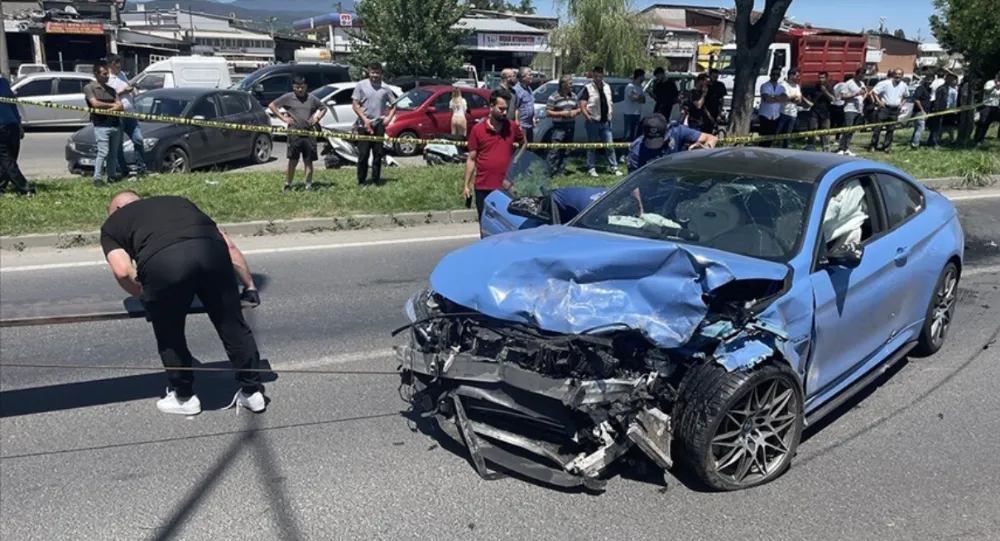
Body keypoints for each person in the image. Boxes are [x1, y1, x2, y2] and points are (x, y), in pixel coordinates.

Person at [99, 191, 267, 416]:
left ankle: (184, 396)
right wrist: (250, 287)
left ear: (118, 209)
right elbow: (230, 247)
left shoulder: (112, 225)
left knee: (170, 332)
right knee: (232, 324)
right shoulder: (178, 202)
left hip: (165, 264)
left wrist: (145, 297)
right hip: (213, 254)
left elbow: (122, 271)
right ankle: (252, 392)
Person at [463, 88, 526, 228]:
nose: (505, 112)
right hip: (483, 186)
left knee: (506, 226)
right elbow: (471, 159)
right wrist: (466, 185)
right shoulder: (478, 130)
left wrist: (516, 159)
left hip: (505, 187)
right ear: (491, 107)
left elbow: (523, 143)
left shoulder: (512, 127)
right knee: (485, 225)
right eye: (501, 109)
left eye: (506, 109)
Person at [270, 76, 328, 192]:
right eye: (297, 87)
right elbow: (272, 105)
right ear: (293, 87)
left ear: (306, 87)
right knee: (293, 160)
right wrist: (283, 118)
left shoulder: (312, 98)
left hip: (309, 133)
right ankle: (288, 184)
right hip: (294, 133)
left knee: (308, 160)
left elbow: (323, 108)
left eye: (302, 87)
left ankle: (308, 184)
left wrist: (317, 118)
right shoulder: (288, 97)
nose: (300, 90)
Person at [350, 63, 397, 186]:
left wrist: (388, 118)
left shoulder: (385, 88)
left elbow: (394, 105)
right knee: (363, 155)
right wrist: (364, 119)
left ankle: (376, 180)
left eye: (377, 73)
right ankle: (361, 180)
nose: (375, 75)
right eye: (372, 73)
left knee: (378, 154)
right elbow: (355, 105)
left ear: (381, 73)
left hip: (378, 124)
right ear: (368, 72)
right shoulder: (361, 85)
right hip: (363, 125)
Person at [627, 113, 717, 172]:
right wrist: (640, 202)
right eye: (650, 141)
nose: (654, 146)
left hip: (673, 184)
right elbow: (634, 185)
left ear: (666, 134)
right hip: (648, 186)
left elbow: (711, 138)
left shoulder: (677, 131)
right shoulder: (636, 149)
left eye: (657, 141)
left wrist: (705, 149)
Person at [105, 54, 147, 177]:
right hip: (118, 115)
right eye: (116, 63)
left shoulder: (122, 75)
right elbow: (108, 96)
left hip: (130, 114)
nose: (119, 65)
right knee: (118, 146)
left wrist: (133, 91)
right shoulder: (107, 79)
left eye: (119, 62)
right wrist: (123, 91)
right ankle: (123, 170)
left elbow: (129, 88)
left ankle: (141, 168)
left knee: (138, 140)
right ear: (110, 65)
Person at [83, 61, 125, 187]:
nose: (107, 76)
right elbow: (95, 104)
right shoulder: (90, 88)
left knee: (113, 153)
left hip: (115, 124)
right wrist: (113, 105)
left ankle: (111, 176)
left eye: (108, 74)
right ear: (97, 74)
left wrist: (111, 108)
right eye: (104, 74)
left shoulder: (112, 90)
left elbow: (121, 106)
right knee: (103, 152)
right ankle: (98, 178)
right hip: (101, 125)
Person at [579, 66, 621, 177]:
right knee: (592, 146)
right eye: (596, 76)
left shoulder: (607, 87)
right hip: (593, 121)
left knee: (609, 145)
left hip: (606, 122)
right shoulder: (588, 88)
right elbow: (582, 105)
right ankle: (591, 168)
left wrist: (611, 112)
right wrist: (588, 117)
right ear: (593, 75)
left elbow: (610, 102)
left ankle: (614, 167)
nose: (598, 78)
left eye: (600, 76)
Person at [0, 75, 34, 197]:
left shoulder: (3, 82)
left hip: (11, 124)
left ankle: (1, 186)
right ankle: (25, 188)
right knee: (7, 160)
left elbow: (12, 103)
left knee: (10, 159)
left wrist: (19, 124)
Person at [544, 75, 580, 176]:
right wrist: (562, 114)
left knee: (567, 150)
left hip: (571, 126)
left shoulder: (574, 96)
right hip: (559, 127)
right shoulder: (553, 97)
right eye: (570, 84)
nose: (572, 86)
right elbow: (547, 113)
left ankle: (561, 170)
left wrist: (575, 111)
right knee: (554, 150)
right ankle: (548, 171)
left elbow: (579, 109)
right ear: (563, 85)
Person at [868, 69, 910, 153]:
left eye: (900, 74)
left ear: (902, 76)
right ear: (893, 75)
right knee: (877, 128)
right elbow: (874, 92)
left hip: (895, 110)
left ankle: (887, 147)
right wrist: (879, 102)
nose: (897, 76)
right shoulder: (886, 83)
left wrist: (901, 104)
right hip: (884, 108)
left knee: (890, 130)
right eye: (896, 74)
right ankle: (873, 145)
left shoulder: (904, 85)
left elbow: (906, 96)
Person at [836, 68, 866, 155]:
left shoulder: (862, 83)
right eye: (860, 75)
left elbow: (863, 93)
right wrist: (855, 94)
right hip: (850, 109)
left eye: (863, 75)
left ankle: (847, 148)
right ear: (856, 74)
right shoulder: (848, 83)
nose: (861, 77)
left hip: (859, 109)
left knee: (852, 130)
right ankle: (841, 148)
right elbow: (842, 96)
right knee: (847, 129)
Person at [805, 71, 835, 152]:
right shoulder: (814, 86)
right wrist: (808, 102)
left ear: (826, 78)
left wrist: (825, 92)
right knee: (812, 129)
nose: (821, 79)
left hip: (826, 112)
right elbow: (807, 97)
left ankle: (825, 148)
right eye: (819, 77)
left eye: (822, 78)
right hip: (814, 111)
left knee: (825, 130)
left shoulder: (829, 86)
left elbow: (832, 99)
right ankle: (811, 146)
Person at [777, 68, 808, 148]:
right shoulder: (783, 85)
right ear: (791, 76)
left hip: (793, 114)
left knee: (787, 136)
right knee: (776, 134)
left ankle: (785, 149)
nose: (799, 77)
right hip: (782, 113)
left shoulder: (797, 86)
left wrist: (793, 98)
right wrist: (793, 98)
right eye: (797, 76)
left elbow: (799, 99)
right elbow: (784, 97)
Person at [757, 67, 787, 148]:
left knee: (771, 138)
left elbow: (784, 98)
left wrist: (773, 97)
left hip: (775, 115)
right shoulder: (765, 86)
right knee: (763, 138)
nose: (775, 76)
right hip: (765, 115)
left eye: (777, 74)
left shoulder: (781, 87)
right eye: (773, 74)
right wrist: (778, 98)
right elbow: (766, 99)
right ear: (770, 75)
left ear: (779, 75)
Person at [973, 71, 1000, 145]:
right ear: (996, 76)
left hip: (995, 107)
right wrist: (994, 87)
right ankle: (977, 139)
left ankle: (981, 139)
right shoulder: (990, 82)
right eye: (998, 76)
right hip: (986, 106)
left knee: (987, 124)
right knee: (983, 123)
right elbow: (986, 91)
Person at [511, 67, 537, 142]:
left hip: (529, 125)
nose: (532, 77)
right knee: (522, 148)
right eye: (530, 75)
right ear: (523, 76)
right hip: (522, 126)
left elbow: (530, 105)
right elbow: (516, 108)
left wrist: (533, 118)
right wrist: (518, 124)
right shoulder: (516, 90)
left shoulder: (529, 89)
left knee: (529, 149)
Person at [909, 76, 933, 149]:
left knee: (918, 128)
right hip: (919, 112)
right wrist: (922, 110)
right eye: (928, 80)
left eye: (931, 80)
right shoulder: (920, 88)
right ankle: (915, 144)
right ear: (924, 80)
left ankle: (913, 142)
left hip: (926, 111)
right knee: (920, 128)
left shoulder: (928, 89)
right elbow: (916, 99)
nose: (929, 82)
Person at [622, 69, 646, 141]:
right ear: (639, 76)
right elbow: (632, 98)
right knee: (628, 135)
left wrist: (638, 97)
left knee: (635, 135)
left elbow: (643, 100)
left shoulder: (640, 87)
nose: (644, 78)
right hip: (629, 114)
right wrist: (639, 97)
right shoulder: (630, 86)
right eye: (643, 76)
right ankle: (624, 151)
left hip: (637, 114)